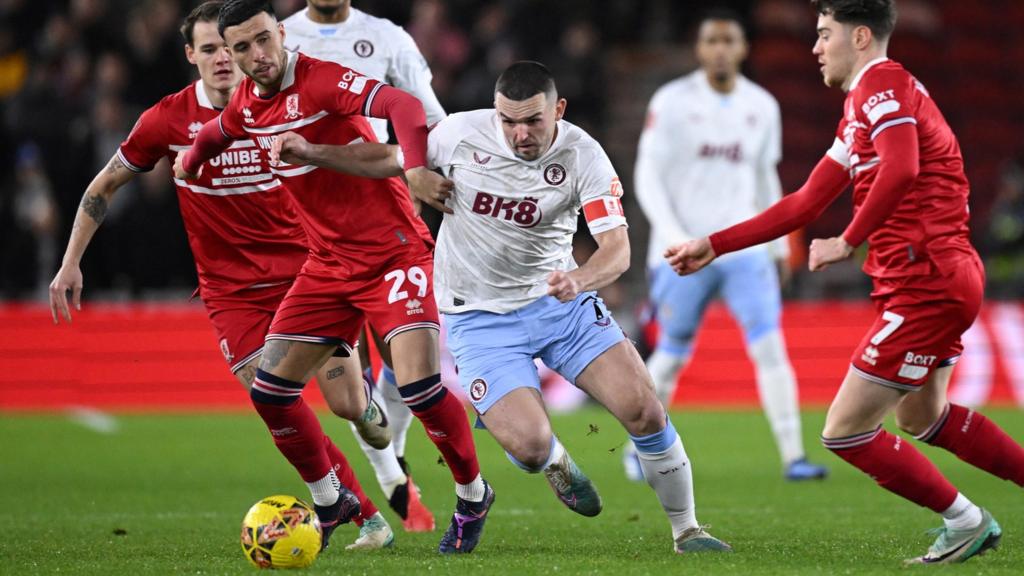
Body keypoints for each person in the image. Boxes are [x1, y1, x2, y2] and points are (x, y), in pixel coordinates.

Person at [666, 0, 1024, 564]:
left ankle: (966, 521)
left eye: (823, 34)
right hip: (942, 274)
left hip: (925, 280)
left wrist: (848, 239)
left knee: (845, 432)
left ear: (859, 37)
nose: (814, 48)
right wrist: (715, 244)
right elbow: (806, 199)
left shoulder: (882, 87)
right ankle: (968, 519)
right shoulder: (864, 107)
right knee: (921, 418)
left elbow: (902, 166)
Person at [47, 1, 399, 551]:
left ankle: (367, 408)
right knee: (272, 399)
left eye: (227, 48)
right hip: (231, 291)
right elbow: (103, 186)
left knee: (350, 409)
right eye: (208, 49)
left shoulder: (279, 107)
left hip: (305, 273)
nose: (221, 59)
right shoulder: (165, 120)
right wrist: (70, 262)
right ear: (192, 55)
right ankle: (355, 510)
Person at [176, 0, 492, 554]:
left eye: (262, 40)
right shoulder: (250, 102)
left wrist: (415, 167)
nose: (256, 56)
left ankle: (472, 493)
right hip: (327, 267)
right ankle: (331, 499)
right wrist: (192, 159)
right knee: (272, 395)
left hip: (394, 253)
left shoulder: (321, 81)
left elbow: (402, 103)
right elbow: (220, 129)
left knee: (418, 387)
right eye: (241, 48)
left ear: (280, 33)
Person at [417, 60, 730, 554]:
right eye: (508, 121)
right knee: (530, 446)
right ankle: (556, 461)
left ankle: (688, 530)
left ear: (558, 109)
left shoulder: (584, 154)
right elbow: (388, 154)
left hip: (560, 305)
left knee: (644, 409)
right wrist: (412, 171)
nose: (520, 134)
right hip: (477, 316)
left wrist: (579, 279)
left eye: (533, 121)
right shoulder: (457, 134)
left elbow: (618, 251)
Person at [631, 9, 827, 482]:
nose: (719, 49)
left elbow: (765, 178)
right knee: (672, 356)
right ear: (700, 49)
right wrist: (674, 234)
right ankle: (640, 452)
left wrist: (780, 248)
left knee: (769, 347)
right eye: (711, 40)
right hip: (682, 251)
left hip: (745, 249)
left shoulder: (762, 106)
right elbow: (647, 175)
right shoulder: (672, 101)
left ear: (743, 48)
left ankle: (793, 456)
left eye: (728, 40)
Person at [281, 0, 446, 532]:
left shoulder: (386, 37)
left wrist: (416, 170)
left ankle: (392, 452)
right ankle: (388, 473)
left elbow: (429, 115)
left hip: (381, 215)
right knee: (347, 384)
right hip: (304, 223)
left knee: (404, 357)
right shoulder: (274, 40)